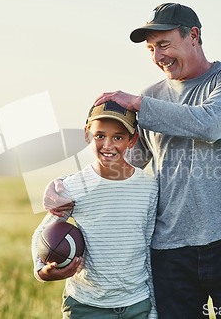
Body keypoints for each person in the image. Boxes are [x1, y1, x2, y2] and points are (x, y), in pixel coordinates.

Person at [45, 3, 221, 318]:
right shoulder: (152, 96)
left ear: (194, 36)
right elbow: (122, 165)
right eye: (151, 49)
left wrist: (138, 104)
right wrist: (64, 186)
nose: (158, 56)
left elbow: (209, 124)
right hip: (170, 253)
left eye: (164, 44)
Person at [32, 101, 159, 319]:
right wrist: (42, 272)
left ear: (132, 140)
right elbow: (41, 233)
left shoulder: (148, 188)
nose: (107, 145)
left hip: (136, 304)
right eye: (99, 135)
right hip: (86, 306)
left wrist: (153, 310)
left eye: (118, 137)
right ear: (87, 135)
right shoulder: (71, 187)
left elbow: (148, 250)